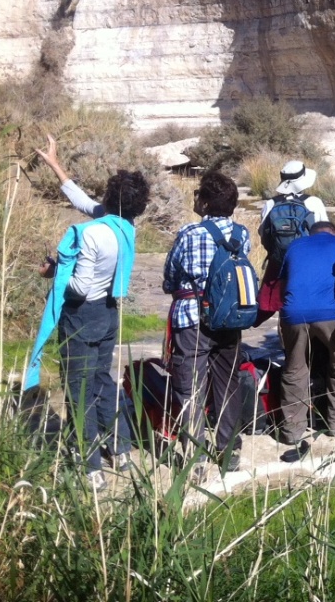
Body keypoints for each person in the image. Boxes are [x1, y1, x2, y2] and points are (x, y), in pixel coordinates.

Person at [32, 136, 149, 489]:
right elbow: (81, 200)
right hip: (109, 314)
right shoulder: (124, 227)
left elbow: (80, 288)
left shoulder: (91, 234)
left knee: (77, 389)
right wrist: (55, 163)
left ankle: (90, 466)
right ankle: (122, 449)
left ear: (109, 198)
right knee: (101, 381)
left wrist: (55, 272)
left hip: (81, 316)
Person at [162, 170, 250, 474]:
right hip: (229, 319)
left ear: (207, 202)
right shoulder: (242, 235)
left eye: (199, 195)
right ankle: (229, 452)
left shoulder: (190, 233)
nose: (195, 199)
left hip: (191, 318)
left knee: (190, 388)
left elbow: (170, 277)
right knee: (228, 384)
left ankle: (195, 457)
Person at [277, 222, 335, 458]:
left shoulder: (295, 246)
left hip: (294, 313)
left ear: (310, 234)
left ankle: (291, 431)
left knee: (294, 370)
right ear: (334, 233)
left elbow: (283, 286)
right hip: (331, 314)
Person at [257, 160, 329, 323]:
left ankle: (285, 338)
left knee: (282, 303)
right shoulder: (314, 203)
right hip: (308, 265)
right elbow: (324, 236)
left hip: (278, 263)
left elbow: (264, 236)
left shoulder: (270, 204)